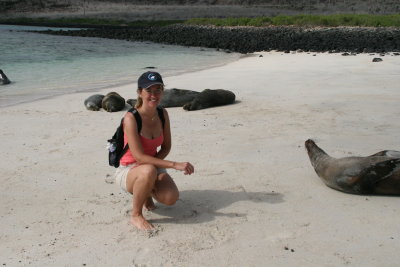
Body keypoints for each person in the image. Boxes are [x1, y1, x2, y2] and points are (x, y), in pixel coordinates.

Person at [114, 71, 194, 230]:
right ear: (139, 92)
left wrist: (156, 166)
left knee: (171, 197)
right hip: (128, 170)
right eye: (148, 90)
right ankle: (136, 215)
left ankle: (146, 191)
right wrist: (174, 164)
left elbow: (166, 147)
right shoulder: (131, 118)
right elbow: (138, 157)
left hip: (150, 164)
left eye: (158, 90)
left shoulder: (162, 113)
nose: (154, 95)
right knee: (148, 170)